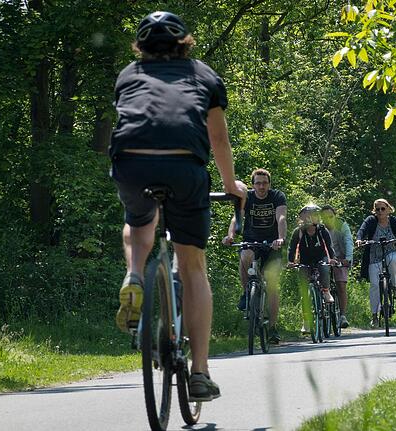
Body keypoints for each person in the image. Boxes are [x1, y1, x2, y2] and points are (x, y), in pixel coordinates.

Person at [110, 11, 245, 402]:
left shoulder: (128, 75)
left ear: (142, 46)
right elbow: (218, 139)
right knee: (192, 266)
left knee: (138, 224)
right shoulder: (203, 75)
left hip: (130, 162)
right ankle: (200, 372)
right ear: (185, 42)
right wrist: (229, 185)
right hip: (184, 166)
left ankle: (134, 275)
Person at [223, 168, 287, 344]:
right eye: (258, 183)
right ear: (253, 185)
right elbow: (236, 218)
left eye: (265, 183)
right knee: (245, 256)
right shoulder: (248, 197)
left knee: (272, 284)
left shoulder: (277, 197)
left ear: (269, 184)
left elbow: (281, 218)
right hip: (252, 239)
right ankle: (247, 293)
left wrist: (281, 238)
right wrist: (230, 236)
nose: (261, 186)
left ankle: (273, 328)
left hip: (273, 243)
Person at [355, 198, 396, 328]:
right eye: (377, 209)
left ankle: (395, 287)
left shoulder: (394, 221)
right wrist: (359, 239)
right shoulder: (371, 220)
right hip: (374, 256)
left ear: (388, 209)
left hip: (391, 252)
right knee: (374, 285)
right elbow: (362, 230)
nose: (380, 211)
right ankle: (374, 316)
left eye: (383, 209)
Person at [287, 205, 338, 332]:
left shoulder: (322, 230)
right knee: (305, 293)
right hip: (304, 260)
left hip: (321, 258)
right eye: (307, 215)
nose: (310, 218)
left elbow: (329, 246)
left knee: (325, 269)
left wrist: (332, 258)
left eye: (314, 215)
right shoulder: (298, 231)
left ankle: (326, 291)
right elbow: (292, 248)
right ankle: (306, 322)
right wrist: (290, 261)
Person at [320, 204, 353, 329]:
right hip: (325, 258)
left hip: (341, 258)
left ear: (335, 216)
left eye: (331, 216)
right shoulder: (320, 228)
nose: (328, 219)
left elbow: (348, 242)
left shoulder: (342, 226)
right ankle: (320, 306)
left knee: (340, 284)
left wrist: (348, 259)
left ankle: (343, 316)